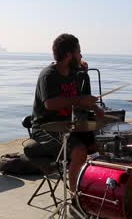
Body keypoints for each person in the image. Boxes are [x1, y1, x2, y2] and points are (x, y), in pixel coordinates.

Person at [27, 33, 104, 194]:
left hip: (69, 124)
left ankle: (96, 187)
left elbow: (83, 99)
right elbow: (50, 103)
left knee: (101, 144)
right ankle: (75, 194)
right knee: (79, 151)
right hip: (45, 128)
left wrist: (96, 109)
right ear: (69, 55)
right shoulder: (48, 75)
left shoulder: (74, 73)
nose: (81, 55)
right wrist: (79, 100)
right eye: (78, 52)